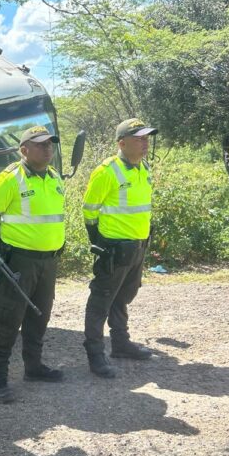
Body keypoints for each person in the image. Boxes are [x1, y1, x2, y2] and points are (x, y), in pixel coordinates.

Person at [0, 126, 66, 404]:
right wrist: (0, 247)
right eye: (40, 144)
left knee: (39, 316)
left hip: (48, 261)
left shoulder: (53, 177)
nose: (47, 149)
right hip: (20, 261)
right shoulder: (9, 179)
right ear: (24, 150)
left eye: (50, 144)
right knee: (9, 318)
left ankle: (34, 367)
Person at [81, 118, 158, 378]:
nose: (145, 142)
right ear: (122, 143)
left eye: (147, 138)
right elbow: (89, 210)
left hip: (137, 246)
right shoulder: (107, 171)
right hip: (114, 248)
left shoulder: (142, 167)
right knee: (101, 301)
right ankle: (95, 355)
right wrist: (98, 242)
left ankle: (121, 343)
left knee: (123, 297)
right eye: (139, 138)